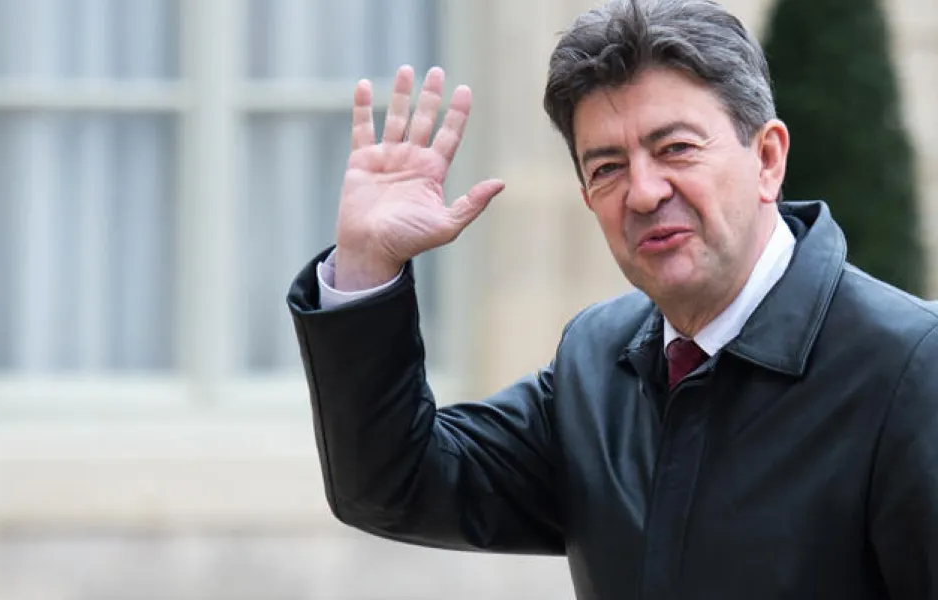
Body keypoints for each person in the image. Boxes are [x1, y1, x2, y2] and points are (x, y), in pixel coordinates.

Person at [283, 0, 938, 598]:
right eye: (607, 168)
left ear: (767, 158)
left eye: (675, 148)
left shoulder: (909, 368)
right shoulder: (596, 361)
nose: (644, 192)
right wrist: (367, 264)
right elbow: (393, 486)